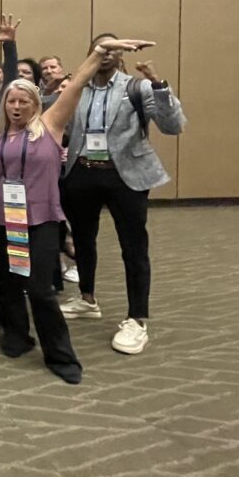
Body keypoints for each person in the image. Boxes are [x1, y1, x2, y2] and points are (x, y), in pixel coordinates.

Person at [0, 39, 152, 382]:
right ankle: (17, 336)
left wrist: (99, 52)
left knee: (39, 289)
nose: (16, 106)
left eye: (24, 101)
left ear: (35, 104)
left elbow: (78, 83)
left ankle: (60, 356)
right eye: (11, 100)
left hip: (40, 221)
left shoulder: (49, 126)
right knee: (9, 283)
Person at [59, 34, 186, 355]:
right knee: (83, 240)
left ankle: (137, 319)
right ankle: (87, 298)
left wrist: (158, 83)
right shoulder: (75, 89)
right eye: (99, 50)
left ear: (121, 56)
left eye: (113, 50)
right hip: (82, 172)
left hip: (124, 176)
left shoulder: (136, 88)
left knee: (133, 247)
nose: (105, 55)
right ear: (90, 55)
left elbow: (173, 126)